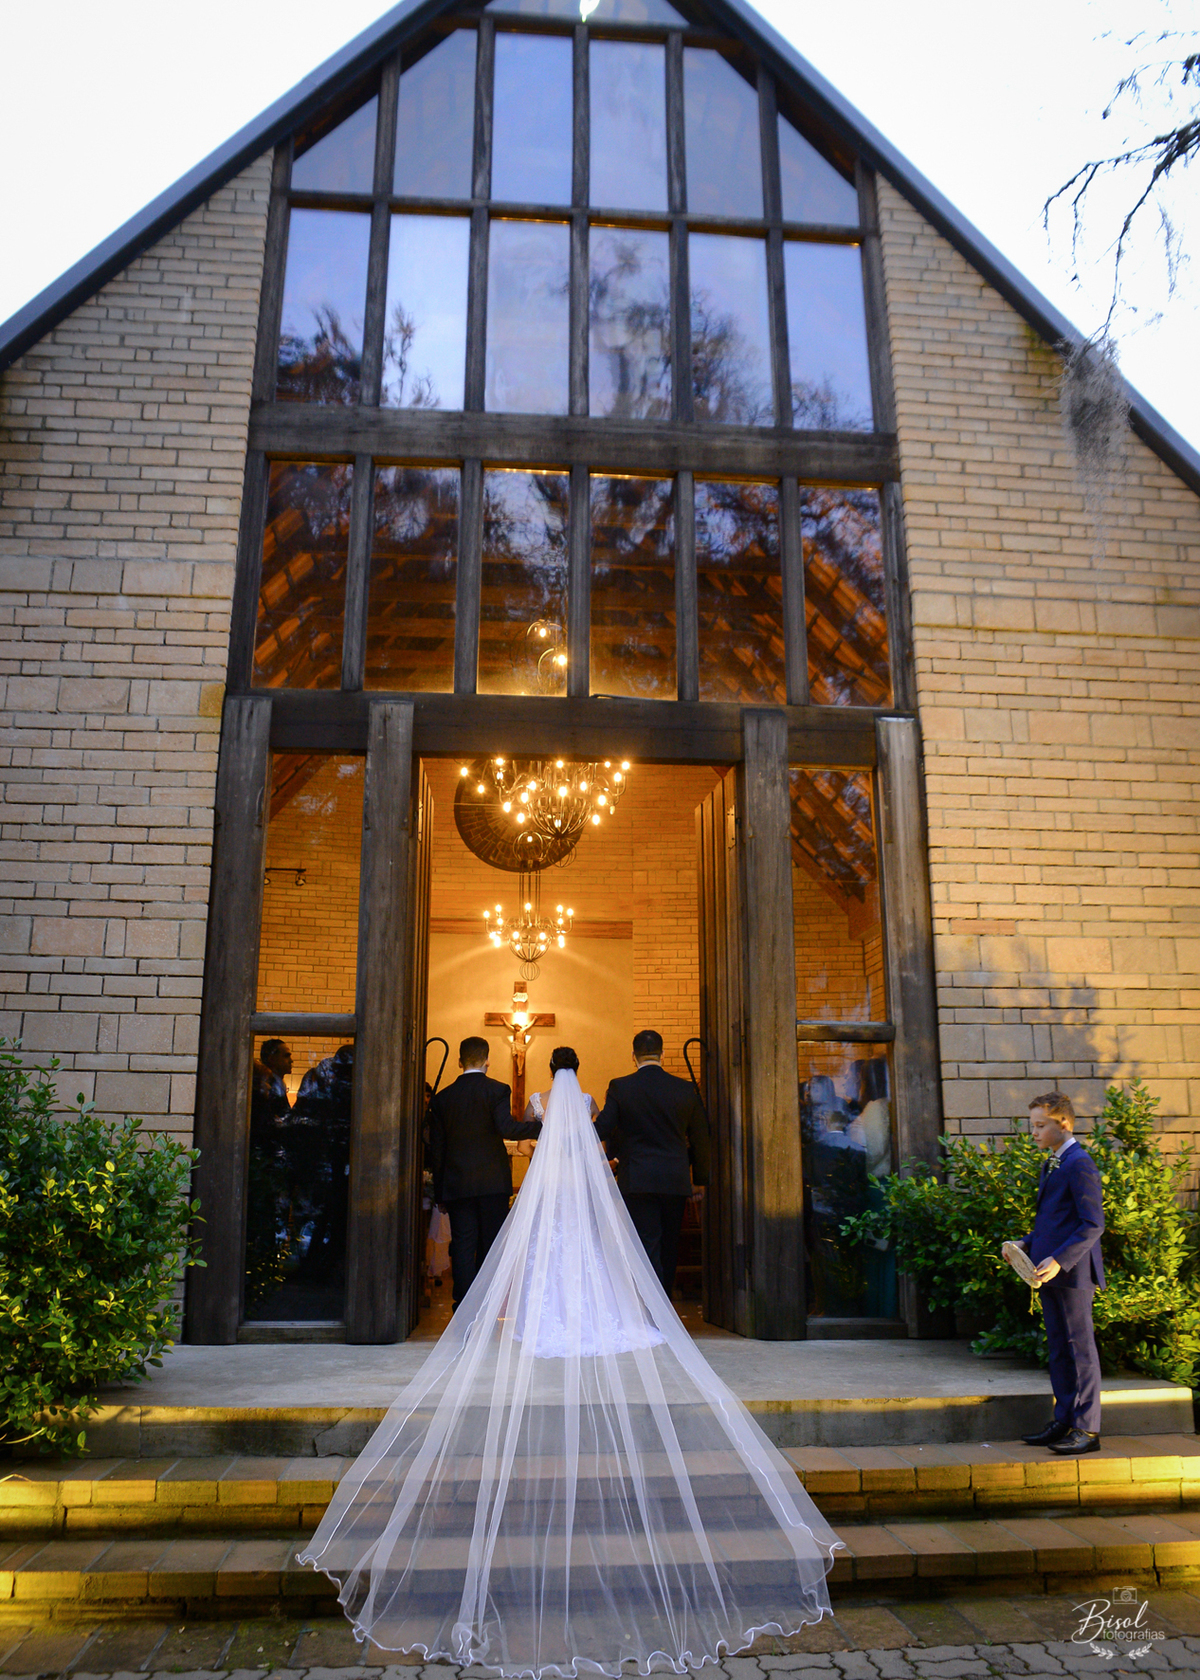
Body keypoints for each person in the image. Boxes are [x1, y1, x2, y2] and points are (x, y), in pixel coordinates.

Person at [299, 1060, 838, 1674]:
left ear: (546, 1077)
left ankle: (540, 1317)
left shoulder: (540, 1100)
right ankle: (619, 1314)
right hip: (593, 1190)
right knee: (598, 1257)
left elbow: (539, 1130)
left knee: (545, 1252)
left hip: (544, 1192)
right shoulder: (586, 1100)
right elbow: (600, 1132)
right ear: (577, 1075)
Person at [1017, 1091, 1106, 1456]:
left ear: (1063, 1124)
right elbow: (1055, 1222)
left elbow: (1092, 1224)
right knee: (1058, 1348)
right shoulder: (1053, 1162)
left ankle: (1087, 1428)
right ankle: (1065, 1419)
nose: (1033, 1133)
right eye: (1032, 1125)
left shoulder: (1079, 1163)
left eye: (1040, 1125)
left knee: (1079, 1349)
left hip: (1072, 1274)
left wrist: (1059, 1260)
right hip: (1048, 1273)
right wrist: (1024, 1244)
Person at [426, 1036, 541, 1310]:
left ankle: (463, 1305)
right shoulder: (497, 1090)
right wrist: (540, 1127)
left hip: (457, 1183)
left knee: (463, 1244)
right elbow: (506, 1128)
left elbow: (437, 1149)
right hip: (492, 1182)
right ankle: (487, 1305)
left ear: (459, 1061)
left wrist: (440, 1191)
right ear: (487, 1059)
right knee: (490, 1244)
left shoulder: (442, 1099)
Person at [595, 1029, 710, 1298]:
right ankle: (665, 1305)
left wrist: (569, 1138)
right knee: (670, 1245)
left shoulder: (621, 1087)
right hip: (674, 1179)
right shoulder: (685, 1089)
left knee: (645, 1245)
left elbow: (603, 1128)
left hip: (637, 1179)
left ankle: (650, 1310)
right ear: (663, 1054)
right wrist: (701, 1178)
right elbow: (701, 1137)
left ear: (633, 1056)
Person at [523, 1044, 599, 1124]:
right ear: (575, 1072)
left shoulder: (536, 1101)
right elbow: (600, 1130)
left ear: (551, 1072)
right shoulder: (588, 1101)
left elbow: (527, 1132)